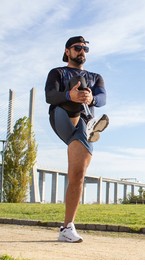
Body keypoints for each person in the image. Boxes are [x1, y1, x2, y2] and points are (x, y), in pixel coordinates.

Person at [45, 36, 109, 242]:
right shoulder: (57, 72)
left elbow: (103, 99)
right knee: (77, 85)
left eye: (85, 49)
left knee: (78, 174)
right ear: (67, 51)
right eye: (78, 48)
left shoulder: (96, 76)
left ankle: (67, 227)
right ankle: (90, 124)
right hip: (62, 115)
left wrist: (92, 99)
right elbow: (49, 96)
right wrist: (70, 96)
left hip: (83, 119)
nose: (82, 51)